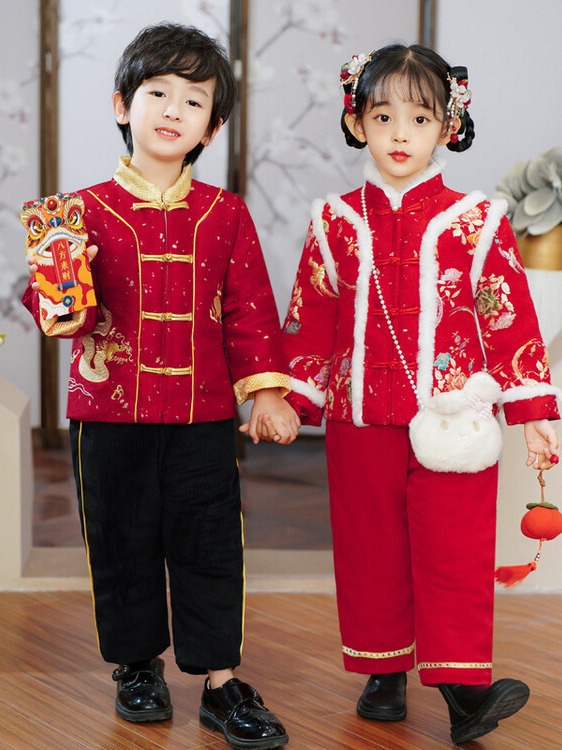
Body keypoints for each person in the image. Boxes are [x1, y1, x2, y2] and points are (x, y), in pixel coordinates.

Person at [23, 22, 300, 750]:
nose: (174, 110)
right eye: (157, 93)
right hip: (107, 413)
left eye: (194, 100)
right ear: (123, 104)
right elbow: (60, 315)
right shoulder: (77, 212)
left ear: (214, 126)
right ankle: (136, 666)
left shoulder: (226, 214)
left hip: (202, 417)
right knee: (120, 541)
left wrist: (266, 392)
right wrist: (60, 280)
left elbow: (250, 310)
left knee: (212, 544)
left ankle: (221, 682)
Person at [281, 43, 560, 745]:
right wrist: (288, 399)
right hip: (359, 418)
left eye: (419, 118)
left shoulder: (478, 218)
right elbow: (311, 317)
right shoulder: (333, 221)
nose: (400, 134)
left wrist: (532, 412)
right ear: (357, 123)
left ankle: (465, 690)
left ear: (447, 127)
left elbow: (507, 316)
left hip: (455, 420)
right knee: (370, 548)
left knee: (455, 549)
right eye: (383, 117)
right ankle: (383, 676)